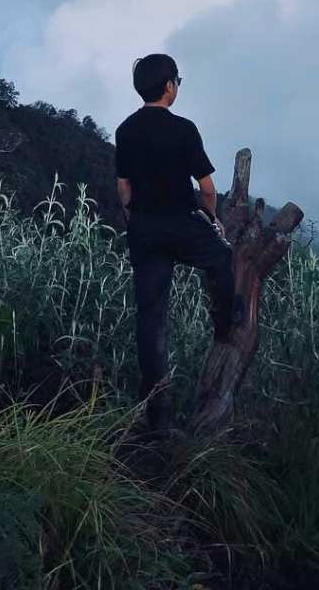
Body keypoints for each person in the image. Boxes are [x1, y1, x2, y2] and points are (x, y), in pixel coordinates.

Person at [115, 53, 241, 431]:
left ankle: (156, 414)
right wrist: (212, 218)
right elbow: (206, 188)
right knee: (222, 259)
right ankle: (223, 321)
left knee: (151, 319)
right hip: (182, 224)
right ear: (169, 86)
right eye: (177, 81)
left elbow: (124, 187)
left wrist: (133, 218)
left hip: (145, 229)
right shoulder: (184, 129)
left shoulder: (125, 130)